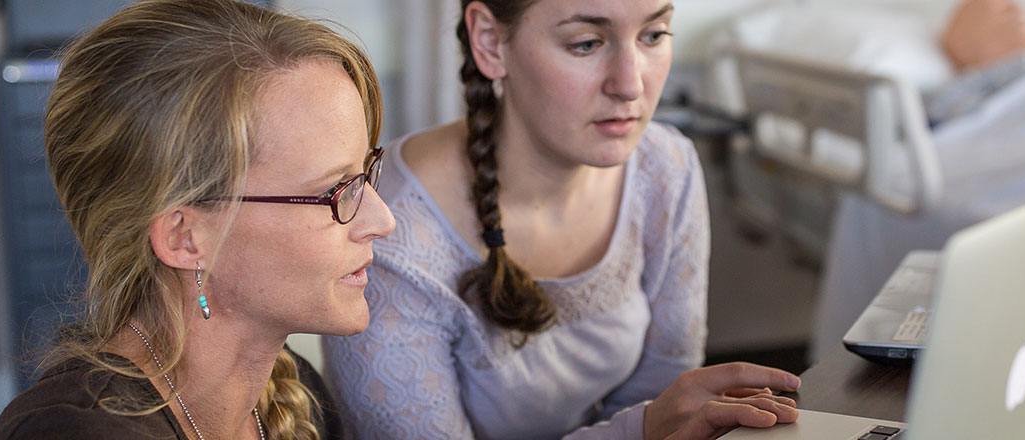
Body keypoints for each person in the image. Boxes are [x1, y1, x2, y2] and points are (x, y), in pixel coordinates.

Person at [324, 0, 800, 438]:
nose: (630, 84)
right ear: (490, 42)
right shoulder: (390, 233)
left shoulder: (664, 167)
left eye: (653, 35)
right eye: (587, 44)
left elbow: (666, 398)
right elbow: (656, 423)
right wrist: (645, 428)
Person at [0, 0, 393, 438]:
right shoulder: (72, 432)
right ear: (184, 238)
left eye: (365, 176)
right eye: (336, 191)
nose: (381, 219)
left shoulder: (296, 395)